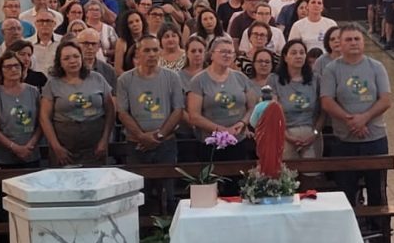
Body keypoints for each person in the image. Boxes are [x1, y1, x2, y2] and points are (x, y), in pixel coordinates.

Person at [320, 26, 393, 206]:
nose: (353, 43)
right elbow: (327, 101)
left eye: (357, 39)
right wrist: (350, 120)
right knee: (346, 191)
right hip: (344, 140)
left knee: (377, 189)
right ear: (340, 44)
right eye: (348, 40)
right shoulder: (332, 69)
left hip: (374, 138)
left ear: (363, 42)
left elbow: (385, 100)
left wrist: (364, 118)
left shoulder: (376, 67)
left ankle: (378, 229)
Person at [40, 42, 115, 166]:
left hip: (95, 146)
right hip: (64, 146)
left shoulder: (97, 78)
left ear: (82, 57)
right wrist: (56, 147)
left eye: (76, 56)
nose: (72, 61)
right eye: (66, 58)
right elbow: (44, 118)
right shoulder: (52, 84)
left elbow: (110, 111)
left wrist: (104, 140)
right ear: (60, 62)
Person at [115, 35, 185, 164]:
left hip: (166, 144)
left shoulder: (173, 77)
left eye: (155, 50)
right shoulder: (124, 80)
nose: (152, 54)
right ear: (138, 53)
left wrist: (159, 136)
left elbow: (178, 110)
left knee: (167, 183)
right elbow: (122, 112)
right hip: (136, 144)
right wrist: (141, 136)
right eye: (147, 50)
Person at [186, 37, 259, 161]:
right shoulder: (198, 81)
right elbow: (194, 116)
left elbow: (252, 107)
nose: (227, 55)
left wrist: (242, 123)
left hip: (238, 141)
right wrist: (223, 131)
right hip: (210, 144)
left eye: (230, 52)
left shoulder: (240, 77)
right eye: (223, 52)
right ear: (212, 55)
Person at [0, 51, 42, 170]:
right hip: (2, 158)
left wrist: (30, 145)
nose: (13, 69)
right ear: (1, 70)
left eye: (17, 66)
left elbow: (41, 123)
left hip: (30, 155)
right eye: (8, 67)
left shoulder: (33, 92)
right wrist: (14, 147)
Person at [273, 39, 324, 159]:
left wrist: (315, 133)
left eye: (302, 53)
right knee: (287, 175)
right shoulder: (274, 79)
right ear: (285, 57)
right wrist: (286, 135)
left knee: (312, 175)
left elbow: (323, 112)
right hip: (285, 133)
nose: (298, 56)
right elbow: (272, 111)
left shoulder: (316, 79)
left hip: (311, 133)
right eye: (294, 53)